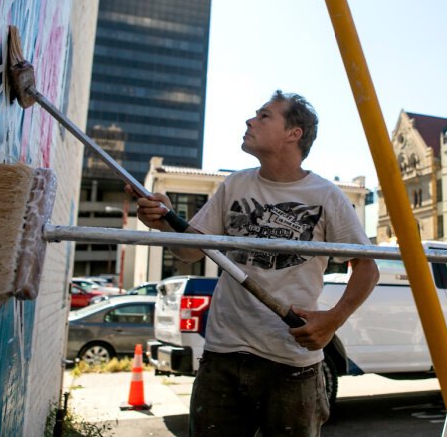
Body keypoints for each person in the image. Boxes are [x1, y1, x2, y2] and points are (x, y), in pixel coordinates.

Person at [132, 90, 379, 436]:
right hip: (223, 356)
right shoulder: (235, 184)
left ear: (294, 134)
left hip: (291, 361)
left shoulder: (325, 196)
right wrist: (162, 220)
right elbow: (190, 250)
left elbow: (368, 267)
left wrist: (332, 320)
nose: (250, 121)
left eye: (264, 116)